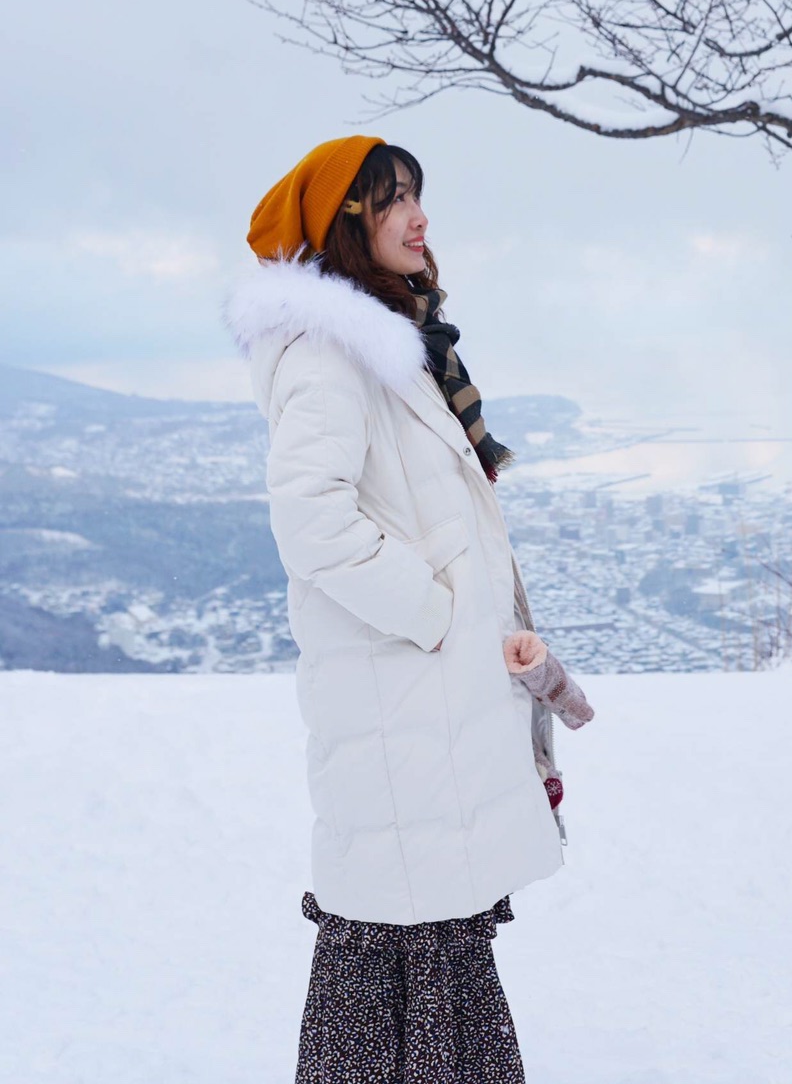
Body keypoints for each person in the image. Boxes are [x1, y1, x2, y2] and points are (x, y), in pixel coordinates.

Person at [228, 135, 583, 1084]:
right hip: (400, 712)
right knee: (401, 951)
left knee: (434, 948)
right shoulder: (330, 359)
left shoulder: (399, 351)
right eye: (391, 203)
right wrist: (435, 612)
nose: (420, 219)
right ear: (346, 226)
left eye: (418, 196)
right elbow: (310, 519)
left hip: (425, 717)